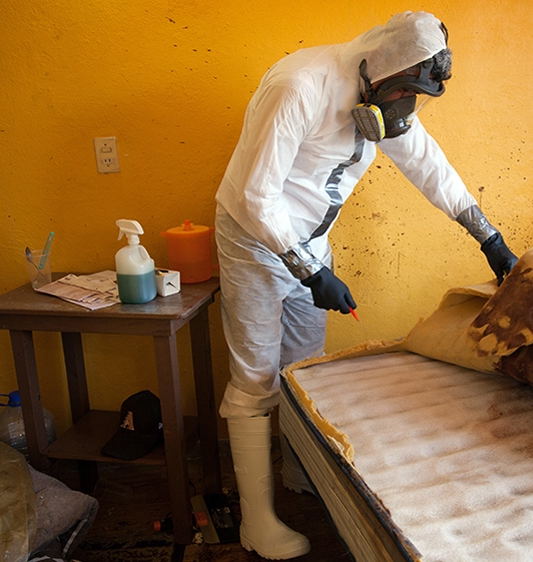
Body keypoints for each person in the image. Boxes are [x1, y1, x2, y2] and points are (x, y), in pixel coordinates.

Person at [213, 11, 517, 559]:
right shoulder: (298, 88)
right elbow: (256, 197)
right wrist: (311, 273)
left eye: (416, 98)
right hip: (254, 243)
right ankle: (256, 523)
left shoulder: (388, 96)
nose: (406, 109)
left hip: (311, 242)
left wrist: (487, 236)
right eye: (404, 94)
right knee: (257, 378)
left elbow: (429, 165)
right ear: (376, 72)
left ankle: (302, 474)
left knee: (302, 367)